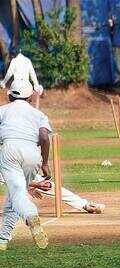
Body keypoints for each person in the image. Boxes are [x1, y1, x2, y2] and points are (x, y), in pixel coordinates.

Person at [0, 80, 52, 251]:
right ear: (31, 97)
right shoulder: (39, 114)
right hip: (32, 153)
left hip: (10, 150)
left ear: (9, 95)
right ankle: (3, 238)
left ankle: (31, 214)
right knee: (17, 194)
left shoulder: (3, 110)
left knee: (18, 195)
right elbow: (44, 138)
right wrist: (45, 163)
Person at [21, 173, 105, 214]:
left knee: (48, 186)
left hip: (24, 175)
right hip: (13, 181)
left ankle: (84, 205)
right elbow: (10, 178)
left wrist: (36, 184)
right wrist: (34, 185)